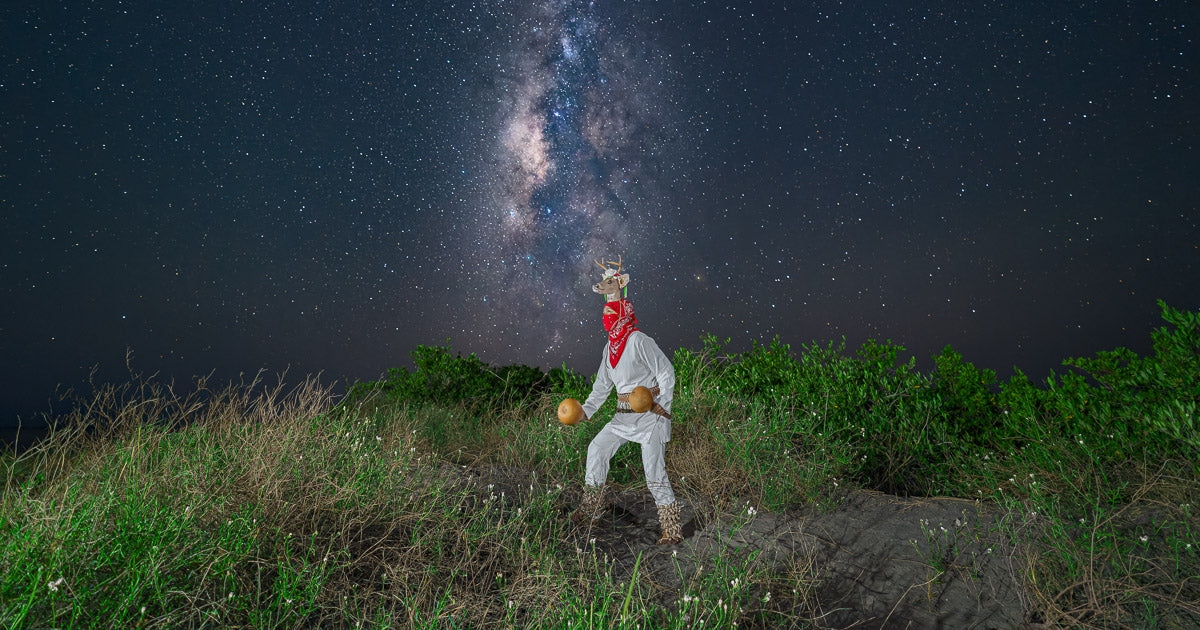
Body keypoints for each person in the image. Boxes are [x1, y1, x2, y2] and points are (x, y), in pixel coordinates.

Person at [570, 260, 682, 545]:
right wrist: (585, 411)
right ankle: (590, 509)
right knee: (596, 449)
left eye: (611, 312)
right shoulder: (610, 348)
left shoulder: (639, 340)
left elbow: (666, 372)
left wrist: (663, 405)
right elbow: (601, 387)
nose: (606, 317)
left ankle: (672, 529)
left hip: (649, 416)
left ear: (621, 314)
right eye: (605, 312)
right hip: (622, 417)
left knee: (654, 472)